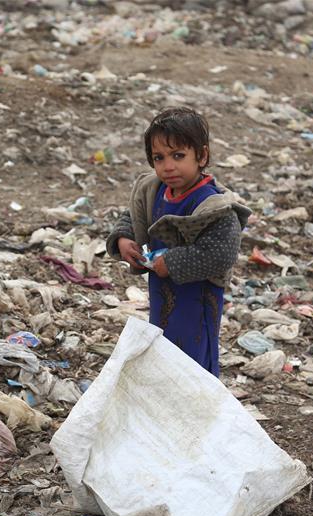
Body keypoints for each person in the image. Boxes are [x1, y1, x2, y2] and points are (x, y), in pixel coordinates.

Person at [106, 107, 251, 377]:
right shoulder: (154, 190)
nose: (168, 166)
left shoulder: (212, 204)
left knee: (194, 360)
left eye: (178, 155)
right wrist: (125, 239)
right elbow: (135, 216)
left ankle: (197, 409)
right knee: (163, 346)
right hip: (163, 291)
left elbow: (221, 252)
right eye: (159, 158)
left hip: (197, 298)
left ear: (202, 155)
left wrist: (172, 263)